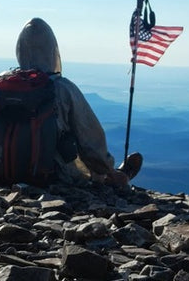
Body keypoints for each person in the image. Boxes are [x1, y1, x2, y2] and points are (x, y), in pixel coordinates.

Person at [14, 17, 142, 188]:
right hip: (53, 175)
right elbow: (89, 138)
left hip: (7, 171)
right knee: (92, 172)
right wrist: (107, 167)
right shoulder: (61, 88)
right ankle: (115, 177)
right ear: (53, 51)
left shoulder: (1, 85)